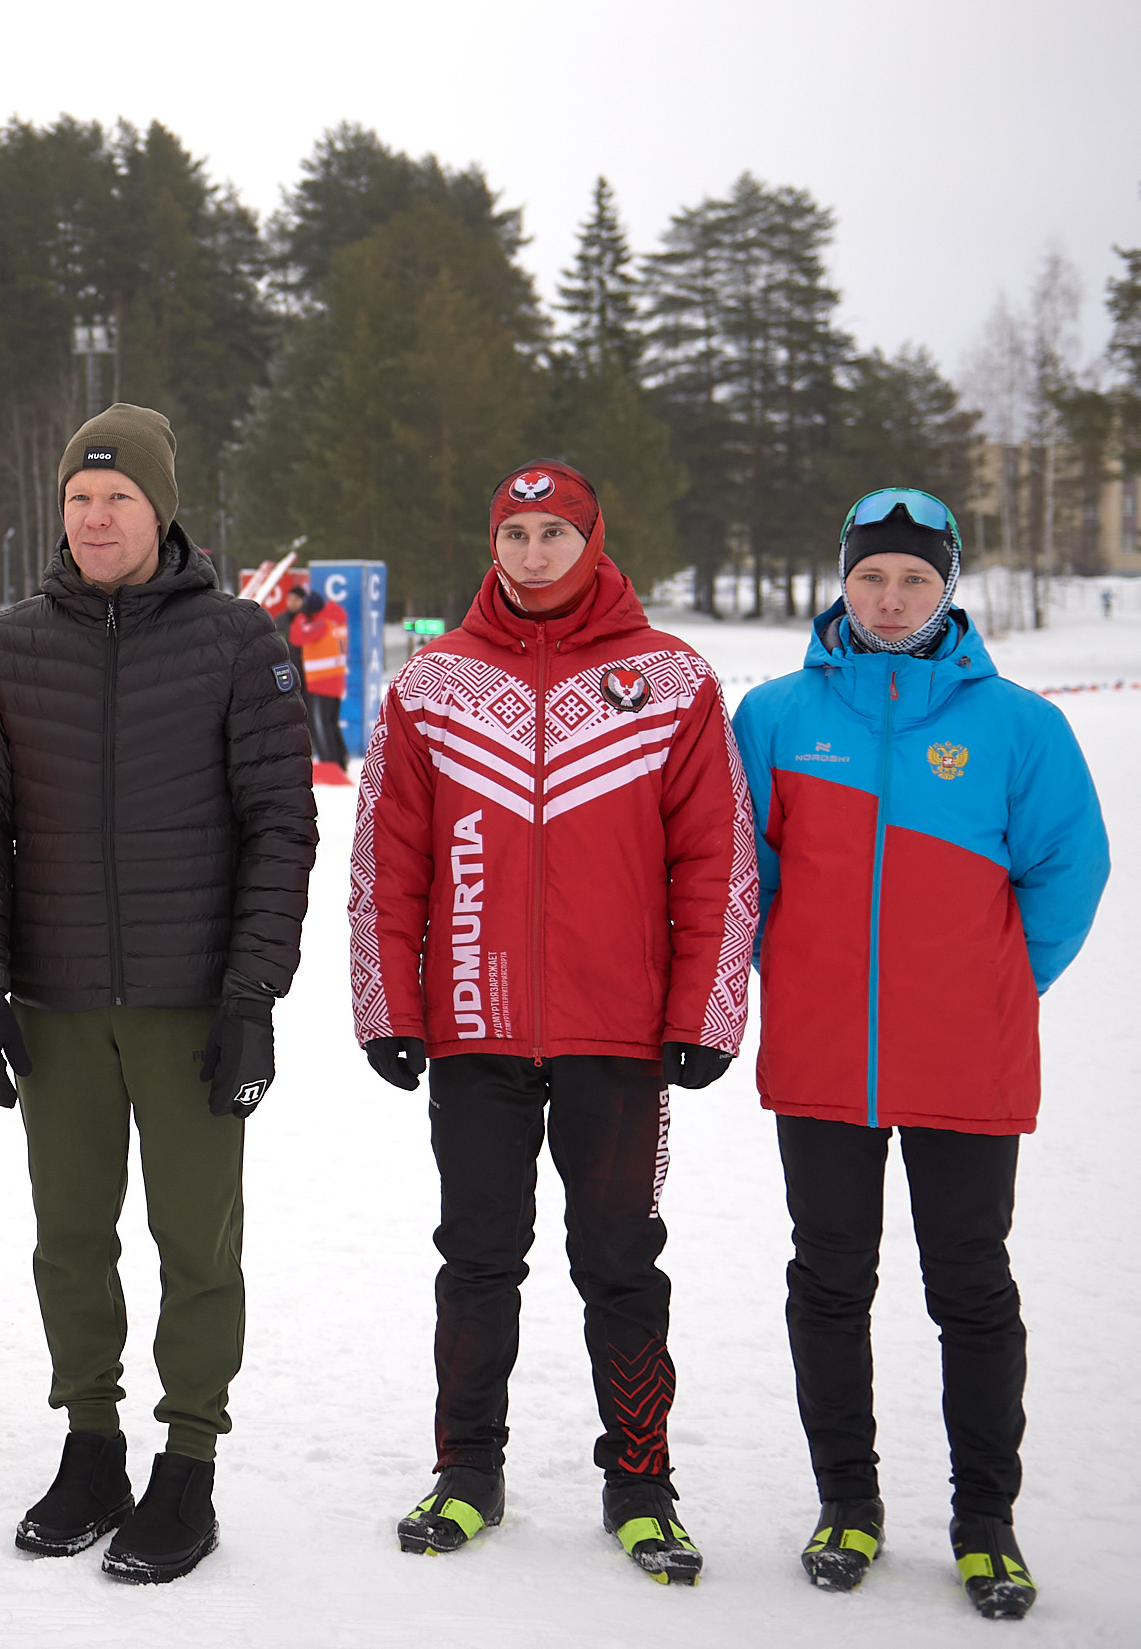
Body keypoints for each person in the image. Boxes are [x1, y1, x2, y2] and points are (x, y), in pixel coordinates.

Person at [347, 458, 755, 1585]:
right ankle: (465, 1468)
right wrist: (387, 1002)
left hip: (616, 1036)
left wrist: (704, 1010)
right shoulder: (432, 682)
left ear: (593, 538)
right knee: (475, 1257)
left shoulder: (669, 679)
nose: (532, 553)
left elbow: (717, 856)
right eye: (514, 533)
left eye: (554, 533)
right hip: (474, 1022)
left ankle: (640, 1481)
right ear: (493, 542)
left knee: (620, 1260)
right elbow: (387, 855)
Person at [0, 403, 316, 1584]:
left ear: (161, 510)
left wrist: (251, 991)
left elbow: (280, 829)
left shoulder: (240, 639)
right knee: (69, 1238)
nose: (95, 518)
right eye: (76, 499)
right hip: (53, 1002)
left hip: (189, 1003)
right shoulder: (8, 645)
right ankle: (90, 1444)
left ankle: (188, 1459)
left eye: (117, 498)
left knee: (195, 1243)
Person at [732, 489, 1107, 1620]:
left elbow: (1068, 871)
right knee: (829, 1282)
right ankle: (846, 1499)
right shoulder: (776, 715)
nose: (889, 598)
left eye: (913, 579)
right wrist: (789, 979)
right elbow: (741, 877)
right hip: (823, 1057)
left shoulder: (1019, 725)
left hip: (965, 1059)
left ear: (950, 588)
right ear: (838, 581)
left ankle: (984, 1518)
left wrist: (997, 984)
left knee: (972, 1287)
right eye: (869, 577)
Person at [279, 580, 350, 781]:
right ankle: (339, 760)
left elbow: (296, 637)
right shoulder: (335, 618)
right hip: (334, 680)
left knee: (321, 725)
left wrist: (302, 616)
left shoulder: (320, 624)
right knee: (331, 723)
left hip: (321, 681)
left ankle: (330, 765)